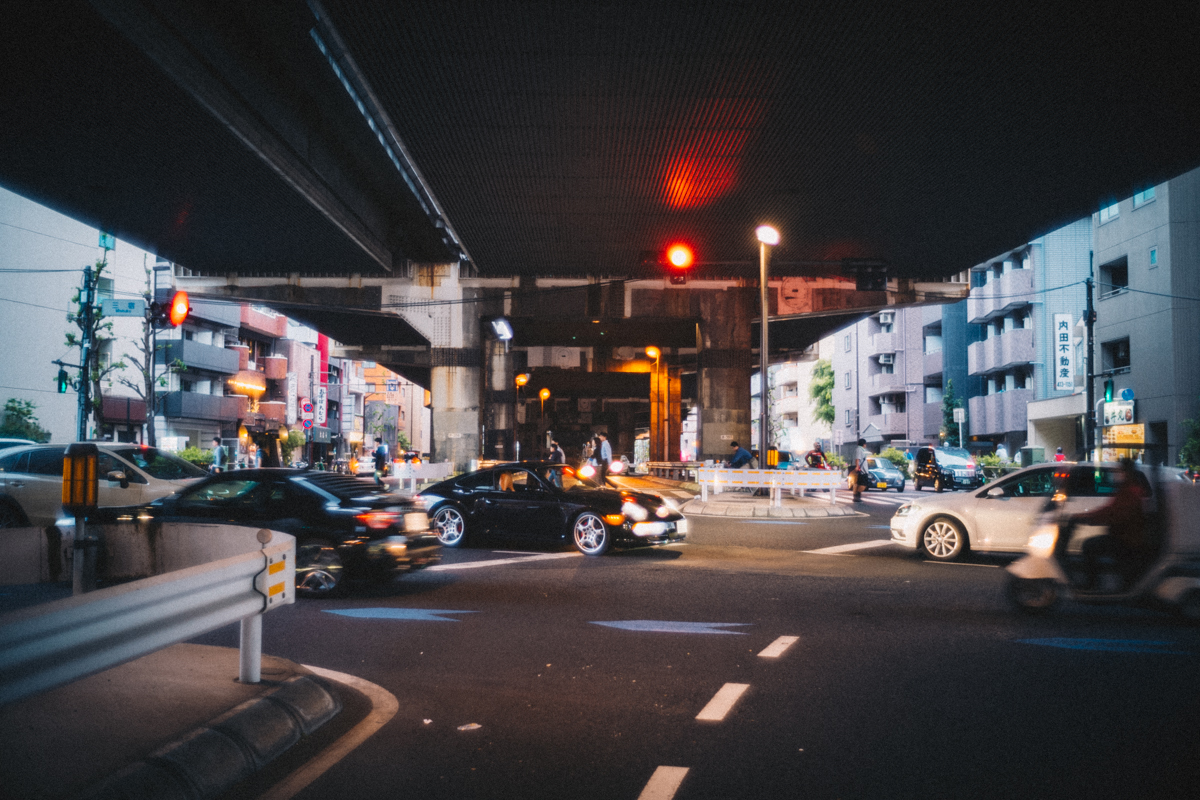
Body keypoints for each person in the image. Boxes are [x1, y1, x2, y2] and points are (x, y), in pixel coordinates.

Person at [1063, 458, 1149, 590]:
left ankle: (1092, 584)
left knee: (1089, 545)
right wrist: (1086, 517)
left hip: (1126, 540)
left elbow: (1113, 513)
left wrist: (1086, 518)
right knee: (1092, 544)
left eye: (1120, 471)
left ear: (1127, 472)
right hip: (1124, 536)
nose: (1117, 474)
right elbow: (1109, 510)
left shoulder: (1129, 491)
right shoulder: (1127, 489)